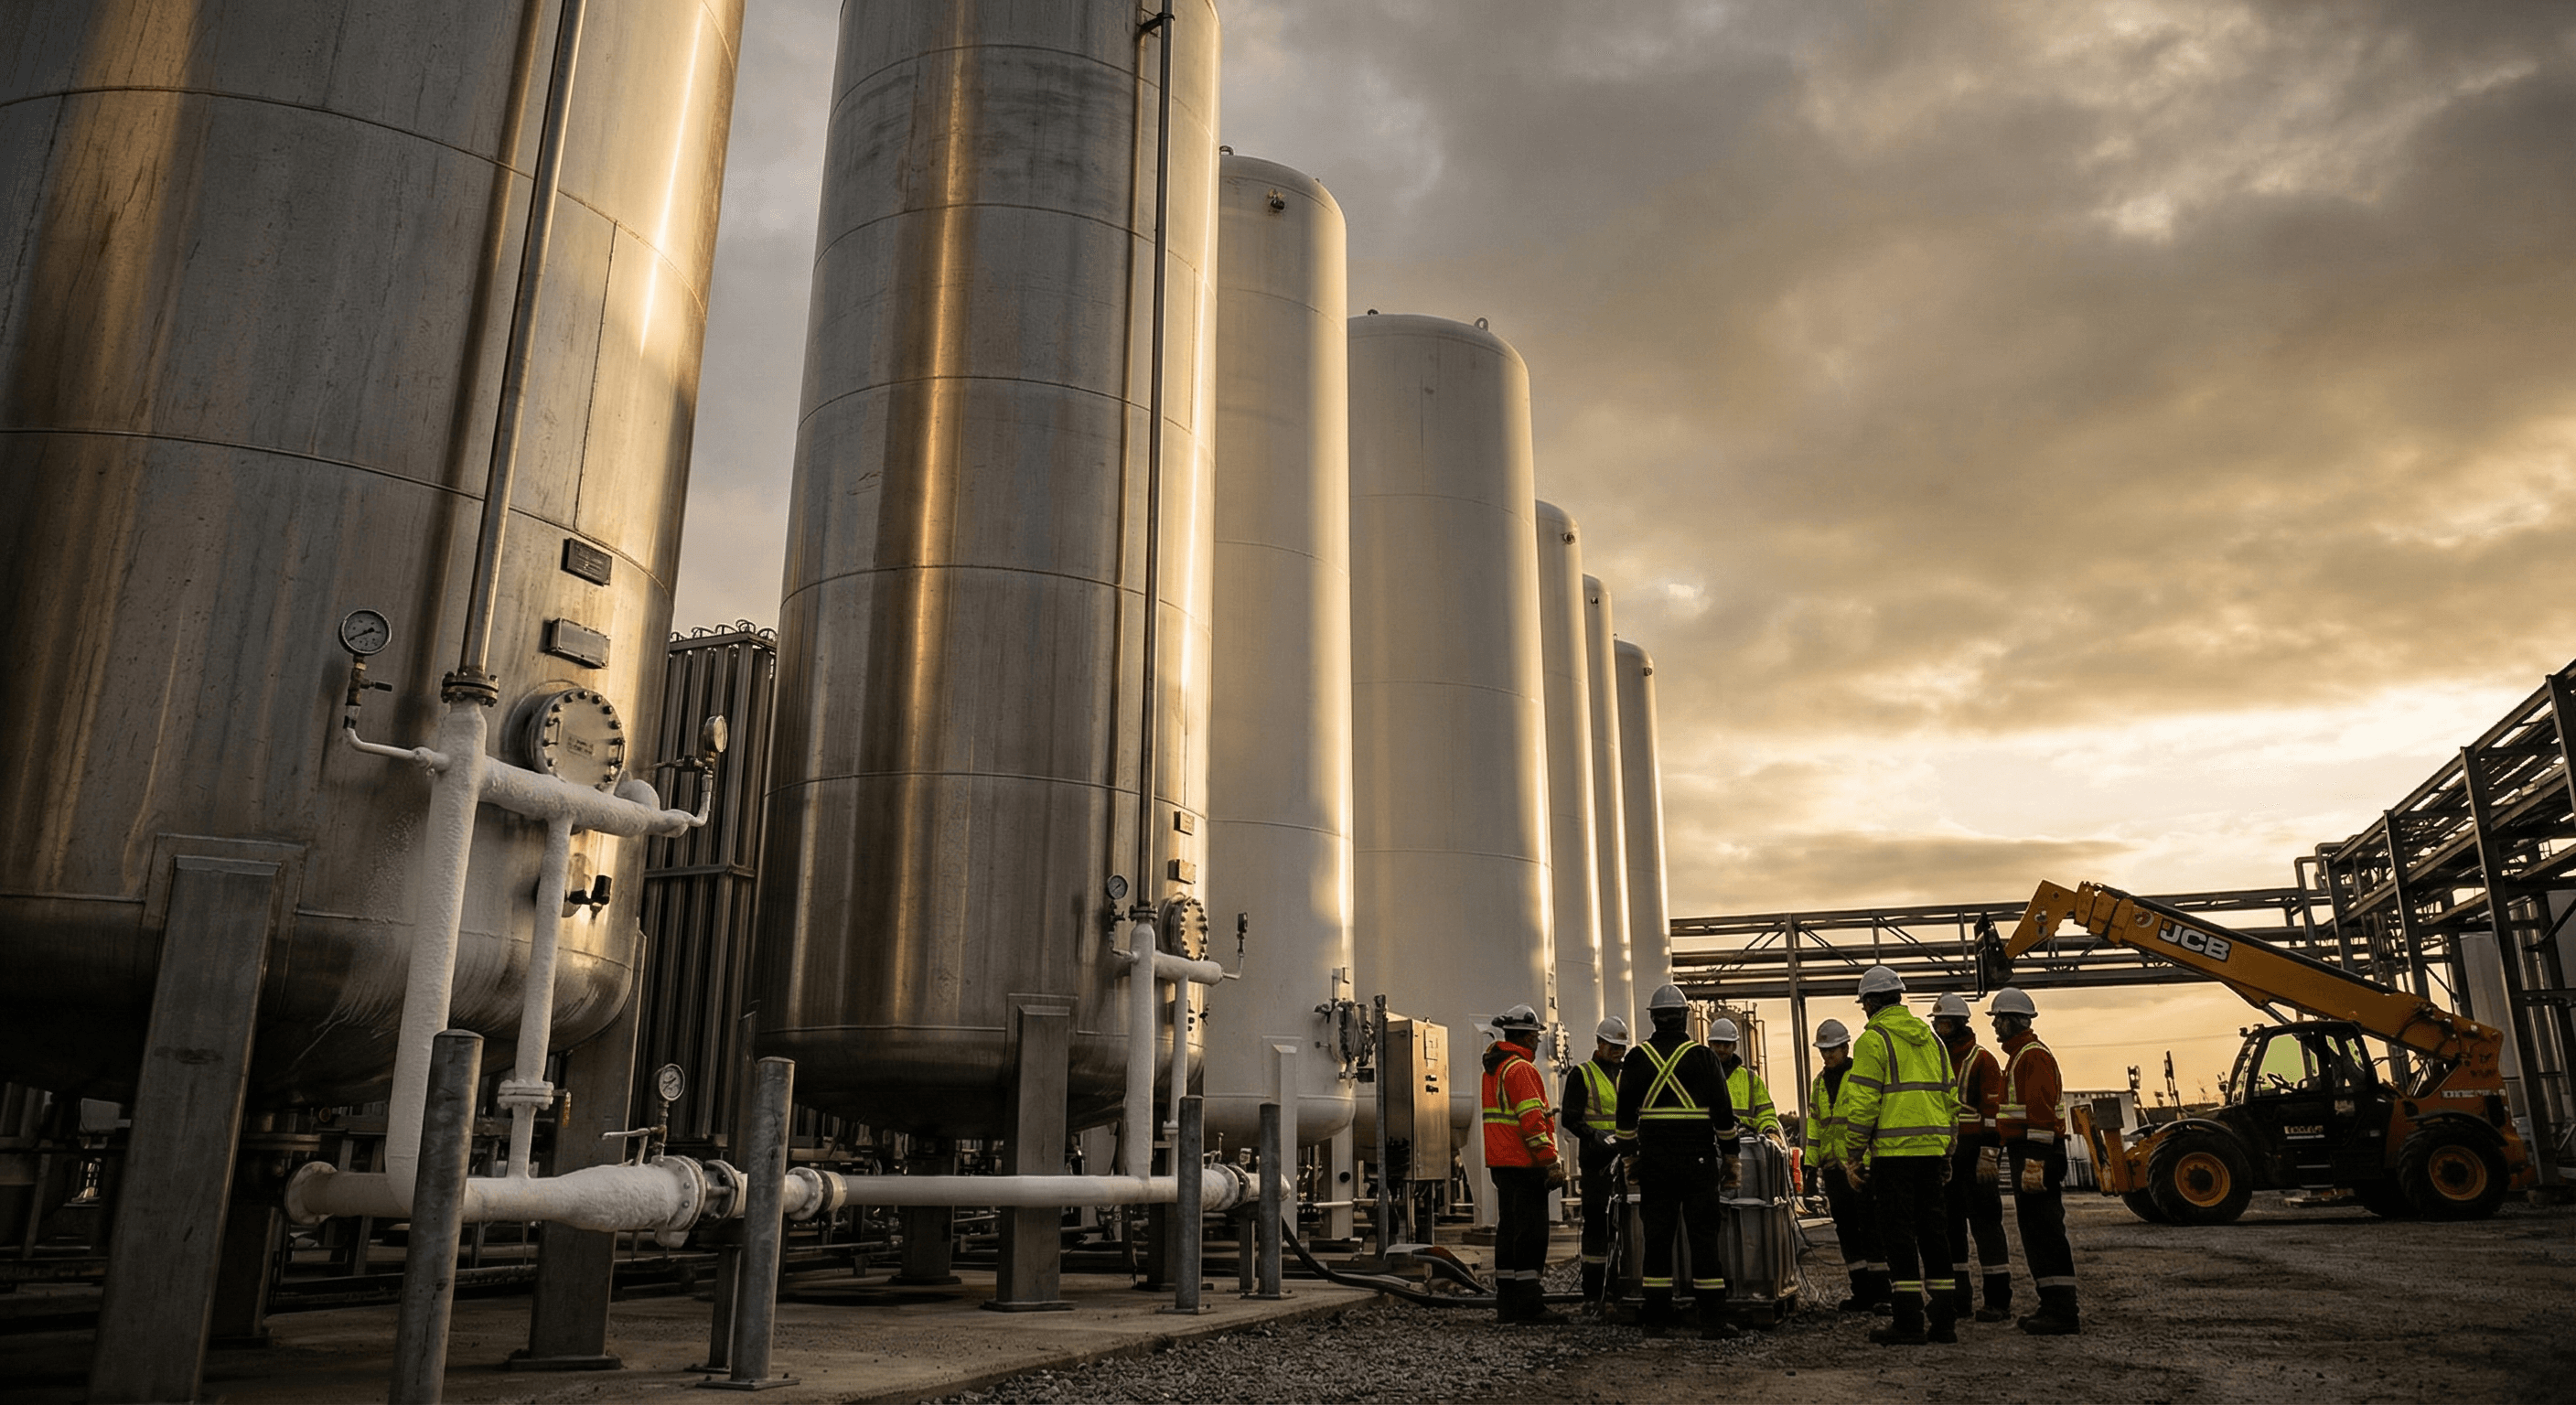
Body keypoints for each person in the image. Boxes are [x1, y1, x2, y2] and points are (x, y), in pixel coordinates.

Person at [1614, 983, 1741, 1340]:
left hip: (1655, 1163)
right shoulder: (1704, 1058)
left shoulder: (1637, 1060)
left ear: (1653, 1018)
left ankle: (1656, 1319)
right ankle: (1712, 1320)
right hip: (1698, 1163)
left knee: (1657, 1239)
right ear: (1685, 1017)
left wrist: (1630, 1160)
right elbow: (1724, 1116)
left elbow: (1624, 1122)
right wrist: (1731, 1159)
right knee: (1703, 1238)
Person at [1842, 964, 1958, 1346]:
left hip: (1892, 1157)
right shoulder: (1933, 1040)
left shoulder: (1873, 1041)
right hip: (1930, 1155)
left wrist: (1852, 1155)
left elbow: (1862, 1105)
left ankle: (1908, 1322)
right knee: (1934, 1235)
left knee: (1898, 1238)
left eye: (1864, 1005)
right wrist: (1947, 1152)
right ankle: (1944, 1323)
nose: (1864, 1012)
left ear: (1873, 1002)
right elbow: (1949, 1101)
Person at [1991, 987, 2079, 1335]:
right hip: (2029, 1152)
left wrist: (2036, 1161)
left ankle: (2062, 1311)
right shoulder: (2020, 1056)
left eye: (2000, 1019)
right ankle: (2051, 1304)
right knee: (2035, 1232)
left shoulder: (2032, 1056)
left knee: (2045, 1232)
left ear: (2015, 1021)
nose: (1996, 1025)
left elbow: (2041, 1113)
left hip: (2037, 1152)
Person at [1480, 1003, 1570, 1324]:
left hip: (1502, 1163)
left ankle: (1508, 1304)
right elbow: (1531, 1122)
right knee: (1532, 1235)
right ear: (1529, 1037)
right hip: (1525, 1163)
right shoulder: (1521, 1070)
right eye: (1536, 1036)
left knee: (1510, 1232)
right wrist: (1550, 1162)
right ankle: (1530, 1305)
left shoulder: (1494, 1069)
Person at [1931, 992, 2012, 1323]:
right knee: (1950, 1231)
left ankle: (1998, 1301)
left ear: (1958, 1024)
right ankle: (1957, 1300)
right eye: (1936, 1022)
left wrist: (1990, 1155)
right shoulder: (1934, 1059)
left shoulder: (1982, 1060)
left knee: (1987, 1228)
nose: (1938, 1027)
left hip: (1976, 1155)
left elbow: (1993, 1113)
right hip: (1948, 1157)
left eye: (1943, 1022)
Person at [1806, 1017, 1889, 1313]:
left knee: (1871, 1231)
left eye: (1832, 1050)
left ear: (1845, 1047)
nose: (1827, 1055)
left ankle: (1883, 1294)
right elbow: (1816, 1127)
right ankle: (1862, 1292)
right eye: (1823, 1050)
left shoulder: (1860, 1076)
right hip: (1833, 1171)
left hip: (1860, 1168)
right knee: (1847, 1232)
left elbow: (1870, 1120)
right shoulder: (1819, 1083)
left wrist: (1865, 1163)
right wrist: (1809, 1165)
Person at [1559, 1015, 1631, 1309]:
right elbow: (1570, 1119)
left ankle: (1619, 1288)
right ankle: (1592, 1294)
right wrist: (1594, 1134)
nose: (1618, 1051)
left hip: (1627, 1161)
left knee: (1627, 1226)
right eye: (1613, 1045)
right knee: (1597, 1227)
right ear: (1600, 1043)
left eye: (1621, 1046)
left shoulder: (1629, 1075)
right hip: (1597, 1163)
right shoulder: (1583, 1074)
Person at [1709, 1017, 1781, 1138]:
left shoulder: (1751, 1079)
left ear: (1734, 1046)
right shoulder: (1699, 1076)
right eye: (1717, 1044)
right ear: (1710, 1045)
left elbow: (1766, 1114)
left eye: (1726, 1045)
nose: (1721, 1049)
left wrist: (1770, 1130)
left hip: (1747, 1147)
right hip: (1710, 1147)